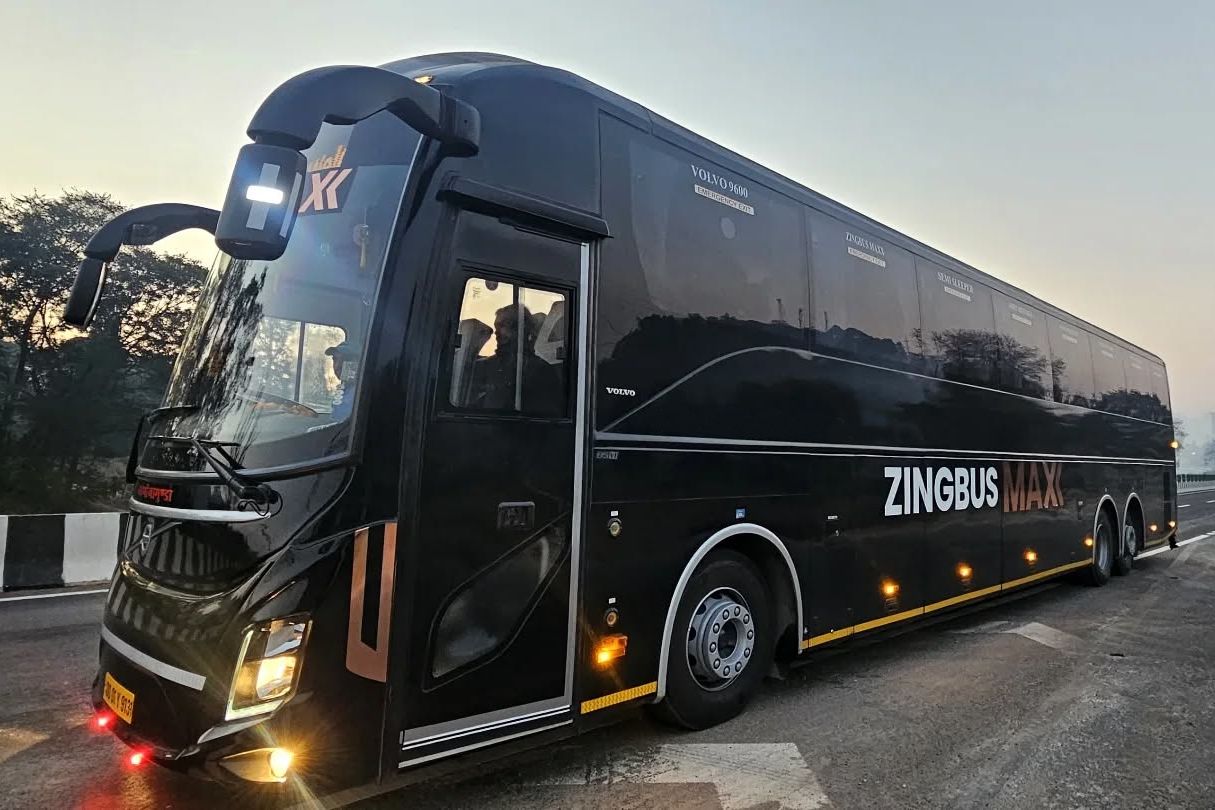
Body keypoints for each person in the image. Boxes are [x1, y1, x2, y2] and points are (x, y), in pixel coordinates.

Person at [466, 304, 563, 414]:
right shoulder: (489, 365)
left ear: (520, 329)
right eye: (496, 327)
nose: (496, 333)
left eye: (503, 326)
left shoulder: (540, 371)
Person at [325, 340, 359, 420]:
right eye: (335, 360)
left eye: (344, 360)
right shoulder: (345, 387)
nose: (336, 366)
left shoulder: (359, 391)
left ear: (356, 362)